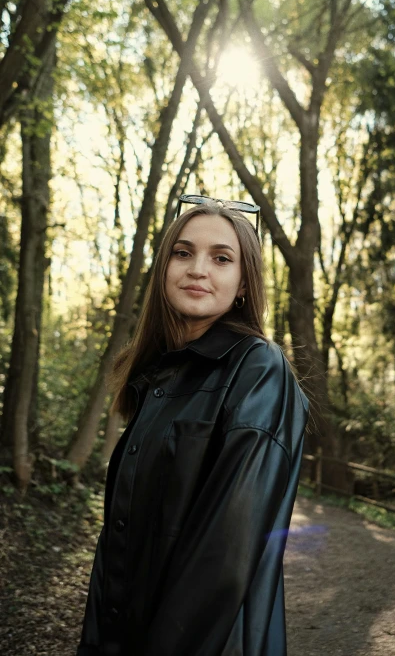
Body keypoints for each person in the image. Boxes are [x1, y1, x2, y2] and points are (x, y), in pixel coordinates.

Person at [76, 194, 309, 656]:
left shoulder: (258, 370)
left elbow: (225, 555)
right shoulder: (157, 378)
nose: (198, 268)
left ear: (243, 284)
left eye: (221, 258)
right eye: (183, 253)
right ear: (164, 269)